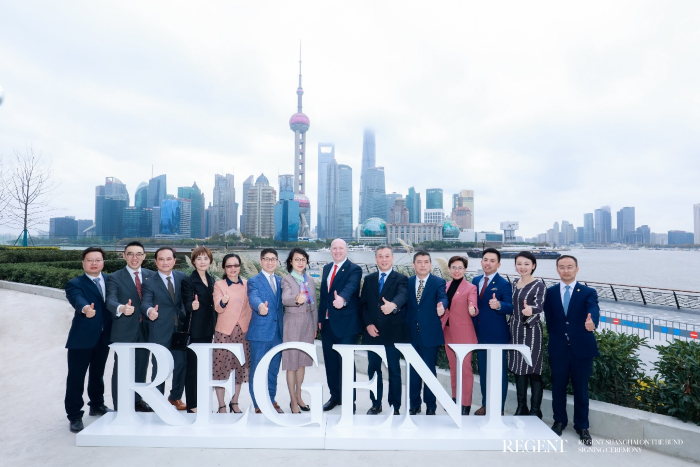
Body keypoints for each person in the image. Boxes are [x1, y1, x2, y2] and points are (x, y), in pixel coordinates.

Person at [544, 255, 599, 445]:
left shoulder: (588, 292)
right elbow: (550, 319)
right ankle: (559, 421)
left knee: (581, 389)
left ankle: (582, 426)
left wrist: (592, 322)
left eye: (569, 267)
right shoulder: (550, 292)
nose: (566, 270)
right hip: (558, 347)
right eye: (562, 267)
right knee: (558, 387)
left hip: (582, 348)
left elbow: (593, 309)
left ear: (577, 269)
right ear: (557, 270)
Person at [64, 247, 113, 433]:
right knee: (76, 377)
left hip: (105, 337)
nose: (94, 263)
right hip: (82, 338)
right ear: (83, 262)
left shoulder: (110, 280)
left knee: (97, 374)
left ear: (103, 262)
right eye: (90, 260)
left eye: (98, 260)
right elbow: (77, 299)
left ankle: (97, 404)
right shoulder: (75, 283)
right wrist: (85, 309)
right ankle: (74, 415)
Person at [105, 241, 155, 413]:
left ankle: (136, 401)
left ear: (144, 256)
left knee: (141, 367)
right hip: (124, 330)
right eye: (130, 254)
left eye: (138, 254)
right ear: (124, 256)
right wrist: (121, 308)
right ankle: (120, 407)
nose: (135, 257)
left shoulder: (151, 275)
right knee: (122, 370)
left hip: (146, 330)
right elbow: (110, 300)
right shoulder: (115, 277)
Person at [360, 245, 409, 416]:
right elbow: (363, 305)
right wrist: (368, 324)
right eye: (380, 256)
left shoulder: (401, 278)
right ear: (376, 259)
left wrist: (393, 305)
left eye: (387, 256)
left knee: (394, 371)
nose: (384, 259)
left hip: (393, 333)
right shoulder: (369, 279)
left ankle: (395, 406)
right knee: (373, 370)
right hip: (372, 333)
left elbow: (402, 295)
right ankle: (376, 404)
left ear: (392, 258)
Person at [140, 247, 187, 410]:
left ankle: (175, 397)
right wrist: (149, 311)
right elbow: (145, 302)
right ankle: (157, 401)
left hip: (179, 329)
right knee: (159, 367)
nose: (165, 262)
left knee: (181, 365)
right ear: (156, 262)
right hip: (159, 329)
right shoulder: (149, 282)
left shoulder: (182, 277)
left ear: (174, 260)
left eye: (168, 259)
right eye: (161, 259)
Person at [318, 238, 362, 412]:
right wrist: (320, 319)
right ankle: (335, 396)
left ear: (346, 250)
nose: (337, 251)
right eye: (334, 248)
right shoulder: (327, 268)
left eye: (341, 248)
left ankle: (349, 400)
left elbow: (351, 286)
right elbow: (324, 297)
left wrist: (342, 299)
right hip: (327, 324)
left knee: (346, 363)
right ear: (330, 250)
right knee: (330, 363)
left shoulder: (354, 269)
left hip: (346, 324)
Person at [405, 251, 448, 416]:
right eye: (419, 262)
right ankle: (414, 404)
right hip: (411, 334)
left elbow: (443, 297)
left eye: (426, 262)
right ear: (413, 265)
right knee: (413, 371)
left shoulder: (438, 282)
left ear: (430, 264)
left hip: (430, 334)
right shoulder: (407, 282)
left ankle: (431, 405)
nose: (422, 265)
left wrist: (442, 306)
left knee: (429, 371)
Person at [471, 247, 513, 416]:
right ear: (481, 262)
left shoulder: (504, 284)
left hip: (497, 335)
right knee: (483, 371)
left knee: (499, 373)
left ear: (498, 264)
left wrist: (499, 305)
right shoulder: (475, 280)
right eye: (485, 260)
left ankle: (499, 408)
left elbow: (510, 307)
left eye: (492, 261)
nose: (488, 263)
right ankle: (485, 404)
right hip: (479, 334)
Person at [507, 251, 546, 418]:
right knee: (518, 369)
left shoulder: (539, 285)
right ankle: (521, 407)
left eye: (526, 264)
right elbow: (510, 305)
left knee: (533, 369)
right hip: (515, 330)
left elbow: (540, 305)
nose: (522, 267)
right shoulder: (514, 283)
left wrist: (530, 310)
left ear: (533, 266)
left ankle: (535, 410)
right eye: (519, 264)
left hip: (531, 330)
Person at [212, 253, 252, 414]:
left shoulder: (247, 284)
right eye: (229, 266)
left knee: (239, 369)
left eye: (236, 265)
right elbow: (218, 307)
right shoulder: (219, 285)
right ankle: (221, 405)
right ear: (224, 268)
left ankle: (234, 402)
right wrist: (223, 301)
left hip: (243, 332)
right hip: (224, 332)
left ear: (240, 267)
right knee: (220, 369)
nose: (233, 268)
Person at [247, 248, 285, 414]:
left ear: (277, 261)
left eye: (273, 259)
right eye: (267, 259)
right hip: (260, 333)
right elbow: (253, 297)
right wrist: (260, 306)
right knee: (257, 370)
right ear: (261, 261)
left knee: (273, 370)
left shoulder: (281, 280)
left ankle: (270, 399)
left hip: (277, 333)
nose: (270, 262)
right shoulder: (253, 281)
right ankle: (258, 404)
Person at [281, 248, 318, 414]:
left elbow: (314, 304)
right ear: (291, 262)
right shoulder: (287, 280)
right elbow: (285, 298)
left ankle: (299, 395)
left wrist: (315, 326)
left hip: (308, 324)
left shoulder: (310, 279)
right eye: (297, 259)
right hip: (292, 324)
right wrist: (296, 299)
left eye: (303, 259)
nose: (300, 262)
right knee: (291, 364)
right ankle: (293, 401)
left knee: (302, 362)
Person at [440, 256, 479, 416]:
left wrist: (473, 309)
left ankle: (466, 404)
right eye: (454, 267)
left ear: (465, 270)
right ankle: (455, 398)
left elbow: (473, 304)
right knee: (453, 367)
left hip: (464, 334)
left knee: (465, 369)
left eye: (460, 267)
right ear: (449, 269)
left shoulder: (471, 287)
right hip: (448, 332)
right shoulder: (445, 286)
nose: (457, 270)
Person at [181, 246, 216, 413]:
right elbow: (186, 302)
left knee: (204, 368)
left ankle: (202, 402)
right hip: (195, 330)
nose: (203, 262)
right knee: (193, 369)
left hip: (209, 329)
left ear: (210, 261)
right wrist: (191, 305)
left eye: (206, 258)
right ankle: (192, 405)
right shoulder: (188, 281)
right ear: (193, 261)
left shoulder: (212, 279)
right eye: (199, 258)